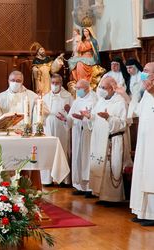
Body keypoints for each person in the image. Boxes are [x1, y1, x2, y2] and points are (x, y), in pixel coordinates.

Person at [83, 76, 128, 204]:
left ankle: (112, 198)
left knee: (110, 167)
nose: (101, 90)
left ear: (112, 88)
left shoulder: (120, 102)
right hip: (99, 140)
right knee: (100, 167)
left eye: (104, 88)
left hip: (112, 140)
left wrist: (109, 118)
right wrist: (90, 117)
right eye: (100, 87)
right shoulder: (101, 101)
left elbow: (123, 124)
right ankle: (101, 195)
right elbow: (96, 120)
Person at [58, 79, 98, 197]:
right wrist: (66, 119)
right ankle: (80, 186)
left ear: (87, 88)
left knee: (86, 159)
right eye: (77, 89)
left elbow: (94, 118)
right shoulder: (77, 100)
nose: (77, 91)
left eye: (79, 89)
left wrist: (84, 119)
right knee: (77, 158)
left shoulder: (94, 99)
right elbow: (71, 117)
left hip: (88, 134)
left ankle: (90, 188)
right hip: (77, 132)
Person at [129, 62, 154, 226]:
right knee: (141, 173)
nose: (143, 74)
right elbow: (137, 111)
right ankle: (142, 211)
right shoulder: (146, 93)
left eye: (146, 71)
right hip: (144, 142)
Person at [40, 74, 73, 185]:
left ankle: (63, 179)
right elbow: (41, 113)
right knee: (48, 151)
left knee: (62, 150)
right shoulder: (45, 97)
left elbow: (72, 113)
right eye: (53, 83)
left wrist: (68, 114)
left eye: (57, 83)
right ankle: (47, 179)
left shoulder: (68, 96)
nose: (54, 85)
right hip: (48, 126)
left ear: (61, 83)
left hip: (62, 127)